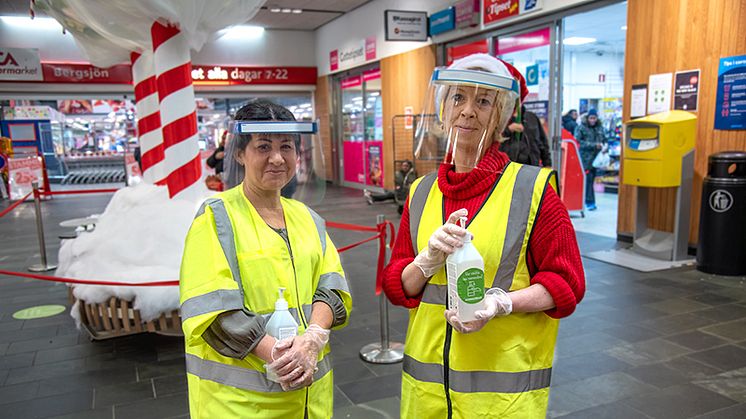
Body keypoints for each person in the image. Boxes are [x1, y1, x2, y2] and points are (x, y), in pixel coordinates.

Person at [383, 53, 585, 418]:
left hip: (499, 399)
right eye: (458, 97)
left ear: (501, 118)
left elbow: (566, 285)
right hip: (426, 395)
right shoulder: (421, 191)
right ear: (443, 110)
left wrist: (502, 303)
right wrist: (424, 262)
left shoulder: (533, 190)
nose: (468, 111)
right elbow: (400, 287)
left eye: (484, 101)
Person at [180, 99, 352, 418]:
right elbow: (212, 312)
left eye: (286, 146)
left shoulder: (307, 217)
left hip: (309, 400)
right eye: (262, 147)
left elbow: (332, 287)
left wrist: (314, 337)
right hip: (241, 405)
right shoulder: (216, 219)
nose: (276, 158)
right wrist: (281, 354)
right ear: (239, 153)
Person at [497, 63, 552, 167]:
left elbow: (543, 144)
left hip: (531, 169)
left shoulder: (531, 118)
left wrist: (547, 165)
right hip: (507, 170)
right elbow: (492, 143)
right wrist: (509, 130)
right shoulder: (499, 118)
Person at [574, 108, 607, 211]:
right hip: (585, 160)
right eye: (591, 118)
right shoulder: (581, 128)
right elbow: (578, 142)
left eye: (594, 118)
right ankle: (589, 202)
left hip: (597, 160)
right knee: (587, 181)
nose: (593, 120)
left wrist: (605, 146)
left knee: (591, 181)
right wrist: (593, 145)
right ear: (587, 118)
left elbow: (604, 139)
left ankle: (588, 201)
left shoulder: (600, 128)